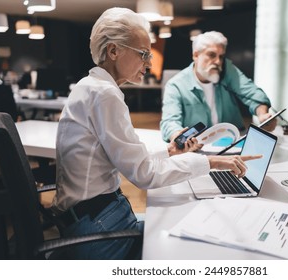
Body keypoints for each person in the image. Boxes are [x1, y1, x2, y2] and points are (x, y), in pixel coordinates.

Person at [50, 8, 261, 260]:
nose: (149, 63)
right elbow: (144, 175)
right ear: (114, 51)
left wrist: (170, 151)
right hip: (99, 226)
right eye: (143, 54)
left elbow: (125, 157)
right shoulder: (105, 94)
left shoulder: (91, 86)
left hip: (90, 217)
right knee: (192, 246)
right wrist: (211, 162)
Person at [160, 31, 277, 144]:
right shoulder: (176, 85)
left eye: (221, 57)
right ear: (196, 55)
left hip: (233, 142)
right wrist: (180, 138)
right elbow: (170, 122)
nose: (218, 61)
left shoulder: (227, 71)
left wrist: (263, 115)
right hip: (199, 147)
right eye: (211, 55)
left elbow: (253, 93)